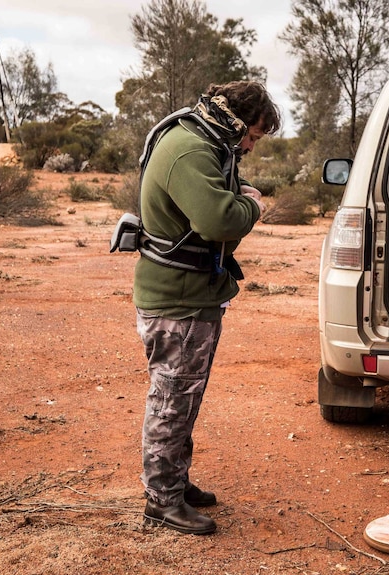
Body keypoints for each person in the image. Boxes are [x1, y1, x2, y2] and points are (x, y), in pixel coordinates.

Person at [133, 81, 281, 535]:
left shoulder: (203, 141)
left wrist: (240, 195)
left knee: (183, 397)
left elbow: (221, 195)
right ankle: (162, 499)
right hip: (178, 300)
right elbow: (218, 219)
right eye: (252, 136)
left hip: (192, 295)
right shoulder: (190, 149)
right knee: (172, 401)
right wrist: (252, 206)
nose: (251, 146)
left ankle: (173, 481)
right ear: (235, 122)